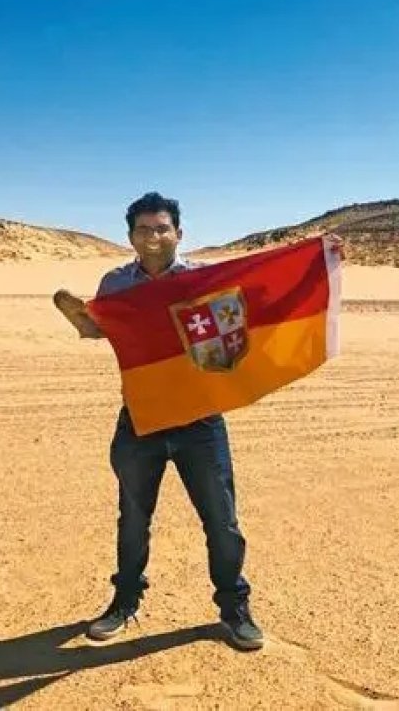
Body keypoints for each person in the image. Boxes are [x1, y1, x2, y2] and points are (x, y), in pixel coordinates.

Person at [53, 191, 264, 651]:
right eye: (144, 229)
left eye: (162, 228)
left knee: (222, 520)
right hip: (141, 417)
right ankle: (124, 601)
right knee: (133, 518)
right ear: (131, 236)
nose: (153, 236)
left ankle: (235, 608)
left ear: (179, 233)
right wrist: (84, 319)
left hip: (199, 418)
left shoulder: (203, 280)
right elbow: (103, 331)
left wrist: (321, 259)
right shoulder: (115, 283)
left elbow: (246, 316)